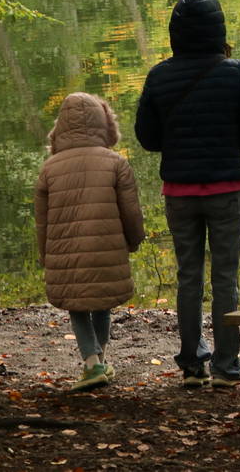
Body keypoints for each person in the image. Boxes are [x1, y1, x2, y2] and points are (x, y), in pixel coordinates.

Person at [135, 0, 240, 389]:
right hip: (228, 188)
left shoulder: (159, 76)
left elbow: (148, 138)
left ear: (175, 32)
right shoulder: (235, 71)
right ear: (218, 29)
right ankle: (227, 367)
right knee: (225, 278)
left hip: (179, 191)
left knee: (188, 277)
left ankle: (192, 365)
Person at [34, 92, 146, 392]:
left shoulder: (49, 168)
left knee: (77, 304)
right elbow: (131, 211)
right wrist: (134, 240)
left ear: (61, 127)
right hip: (107, 249)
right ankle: (101, 358)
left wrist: (45, 254)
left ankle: (92, 362)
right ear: (105, 124)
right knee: (102, 301)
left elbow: (42, 220)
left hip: (65, 252)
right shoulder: (116, 163)